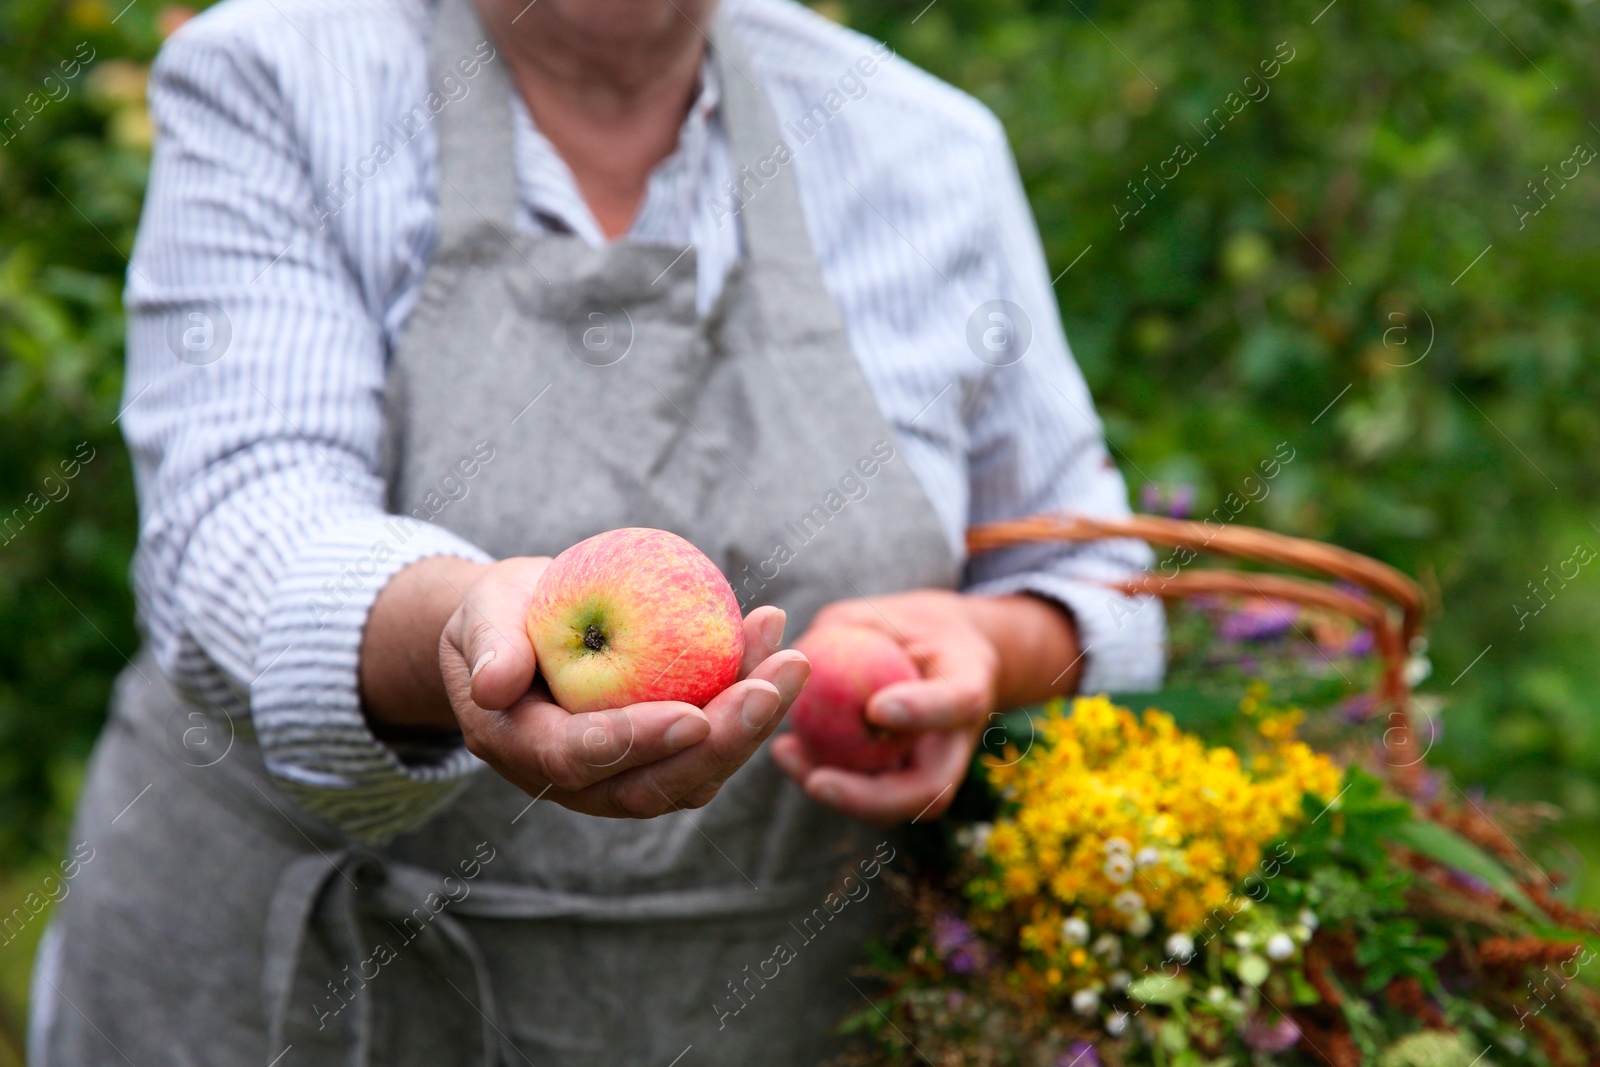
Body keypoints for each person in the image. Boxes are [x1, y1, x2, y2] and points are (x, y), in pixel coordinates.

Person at [31, 0, 1164, 1062]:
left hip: (766, 1012)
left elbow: (1090, 568)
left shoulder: (922, 151)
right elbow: (238, 528)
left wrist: (988, 645)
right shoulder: (281, 76)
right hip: (310, 1000)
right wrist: (465, 632)